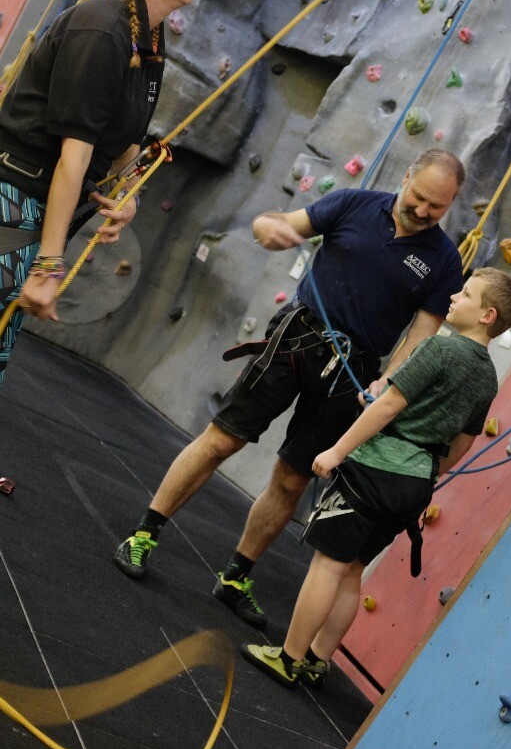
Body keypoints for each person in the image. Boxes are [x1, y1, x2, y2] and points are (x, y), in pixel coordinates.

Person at [113, 149, 467, 628]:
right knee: (222, 439)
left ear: (451, 204)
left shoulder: (444, 260)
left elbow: (421, 334)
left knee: (292, 477)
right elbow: (275, 225)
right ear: (406, 177)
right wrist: (270, 231)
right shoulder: (351, 204)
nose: (424, 212)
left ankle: (236, 577)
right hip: (296, 337)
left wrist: (389, 380)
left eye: (437, 208)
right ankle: (144, 533)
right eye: (420, 198)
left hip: (355, 370)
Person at [240, 267, 511, 689]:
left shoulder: (439, 350)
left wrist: (337, 451)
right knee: (353, 570)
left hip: (373, 472)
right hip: (413, 485)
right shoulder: (487, 377)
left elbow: (390, 405)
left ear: (487, 315)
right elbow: (463, 442)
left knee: (328, 566)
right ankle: (318, 660)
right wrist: (422, 470)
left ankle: (289, 658)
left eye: (465, 294)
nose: (452, 298)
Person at [0, 0, 206, 386]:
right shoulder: (100, 30)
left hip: (39, 205)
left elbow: (128, 137)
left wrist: (129, 193)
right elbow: (73, 155)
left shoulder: (148, 40)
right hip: (12, 194)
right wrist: (51, 266)